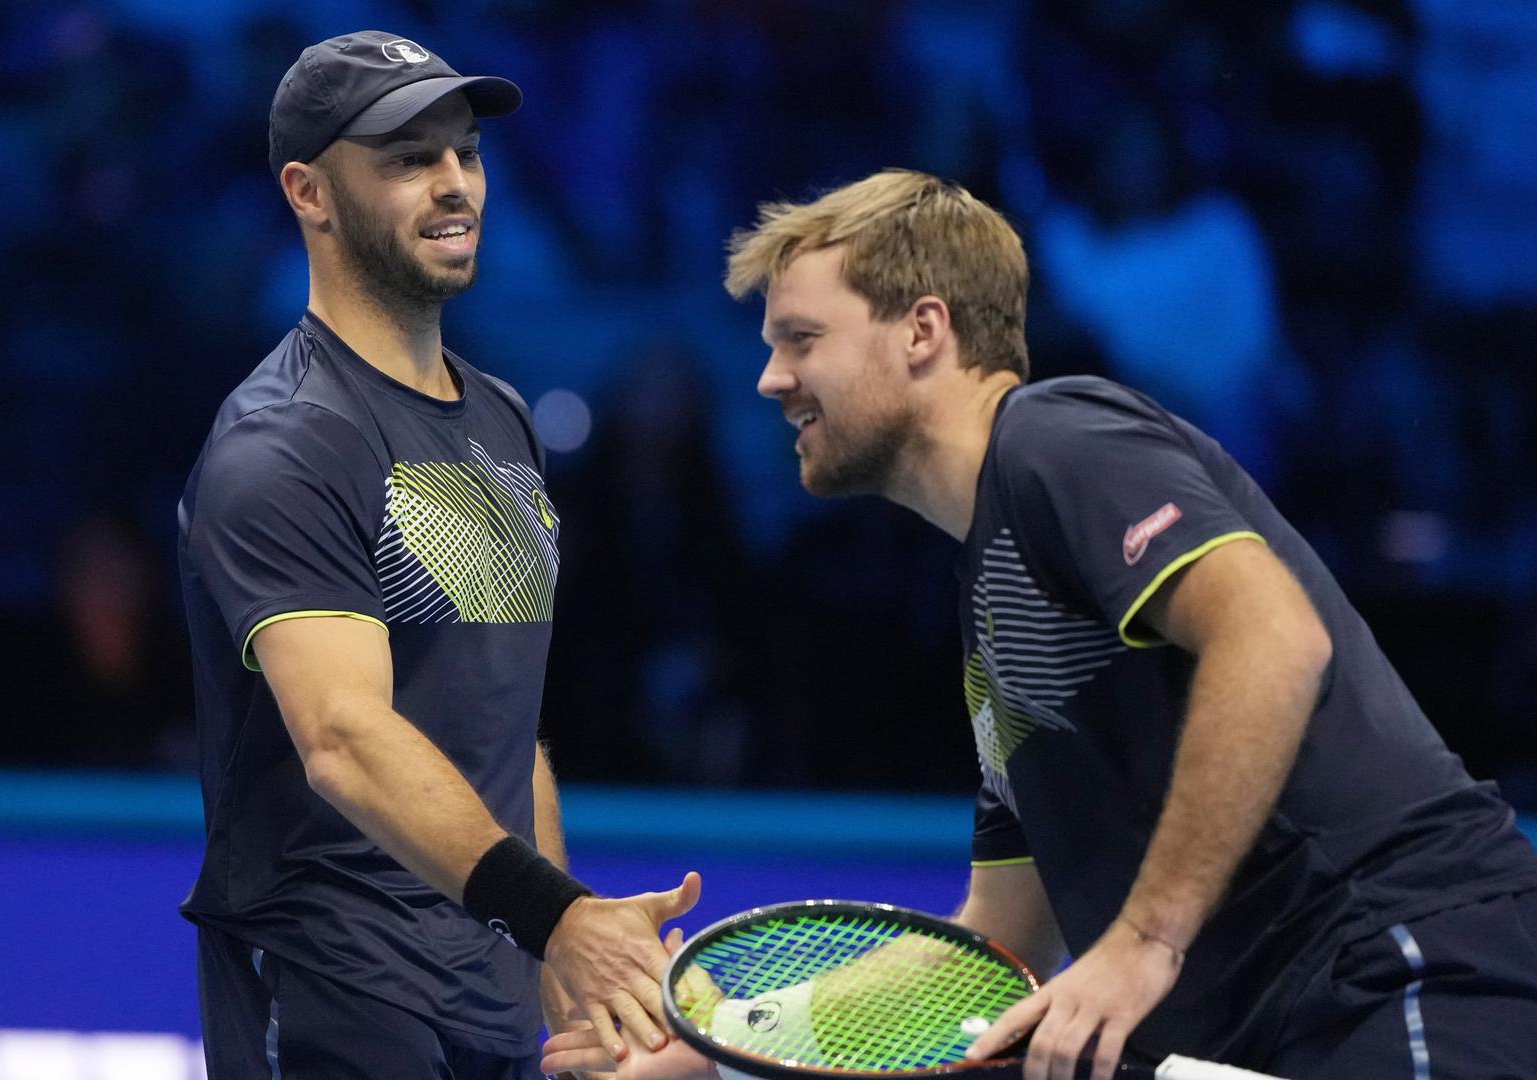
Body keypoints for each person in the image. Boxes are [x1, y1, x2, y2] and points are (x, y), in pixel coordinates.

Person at [543, 169, 1537, 1080]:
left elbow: (1275, 637)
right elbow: (1000, 946)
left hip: (1408, 967)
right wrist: (723, 1047)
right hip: (1283, 1035)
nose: (769, 378)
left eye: (801, 339)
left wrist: (1145, 940)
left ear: (922, 331)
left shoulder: (1058, 436)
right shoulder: (995, 603)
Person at [176, 30, 697, 1080]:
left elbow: (502, 723)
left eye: (465, 152)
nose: (455, 183)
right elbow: (344, 736)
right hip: (337, 985)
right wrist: (556, 918)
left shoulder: (503, 420)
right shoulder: (284, 440)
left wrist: (561, 952)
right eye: (409, 159)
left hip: (489, 989)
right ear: (309, 192)